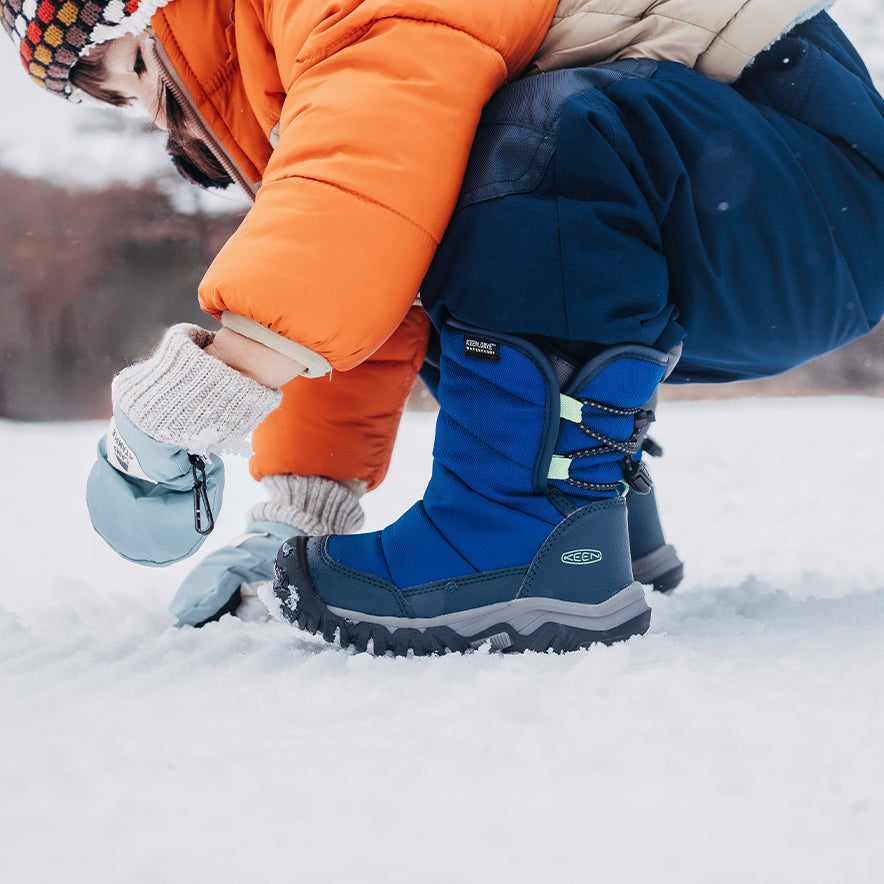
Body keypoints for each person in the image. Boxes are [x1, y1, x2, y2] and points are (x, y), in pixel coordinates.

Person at [4, 0, 881, 655]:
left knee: (541, 136)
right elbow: (370, 267)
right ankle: (595, 518)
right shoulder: (295, 43)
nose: (159, 117)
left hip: (816, 194)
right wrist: (299, 512)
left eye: (138, 71)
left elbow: (357, 204)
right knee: (437, 220)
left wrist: (189, 400)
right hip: (751, 215)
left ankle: (524, 530)